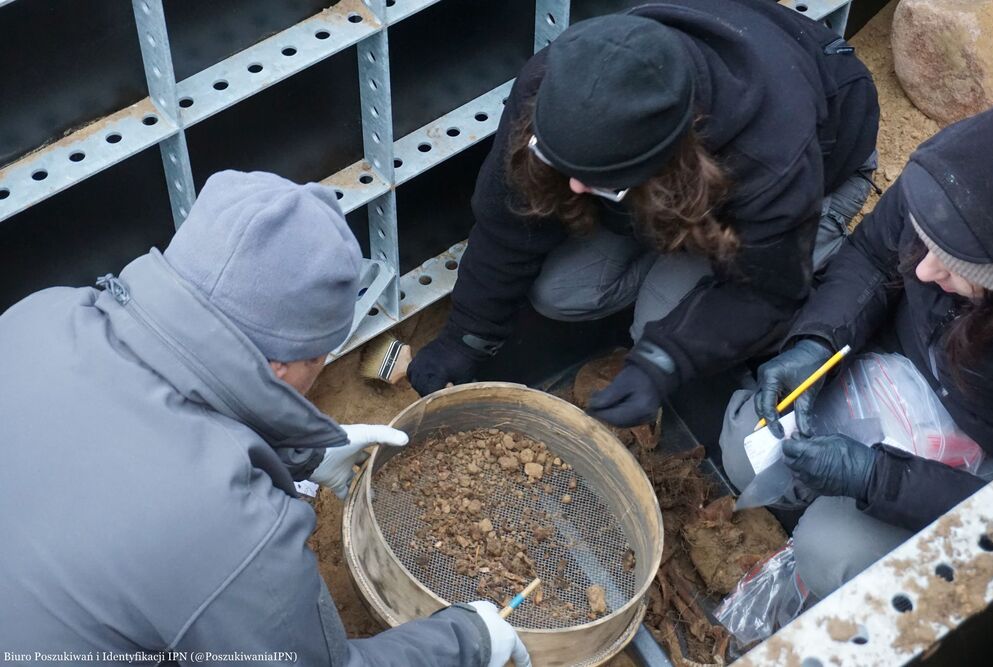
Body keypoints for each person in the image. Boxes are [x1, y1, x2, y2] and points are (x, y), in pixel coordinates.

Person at [0, 171, 529, 667]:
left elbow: (128, 448)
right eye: (321, 355)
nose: (321, 371)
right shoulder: (239, 536)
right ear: (280, 367)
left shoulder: (41, 313)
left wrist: (300, 452)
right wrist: (469, 639)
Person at [407, 0, 879, 427]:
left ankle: (693, 290)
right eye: (561, 164)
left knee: (657, 319)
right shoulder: (557, 84)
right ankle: (673, 272)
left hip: (823, 166)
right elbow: (509, 218)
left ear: (667, 166)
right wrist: (466, 337)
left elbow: (764, 292)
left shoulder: (771, 158)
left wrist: (664, 358)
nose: (573, 186)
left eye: (593, 178)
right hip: (671, 178)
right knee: (563, 292)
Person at [719, 105, 993, 599]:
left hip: (982, 455)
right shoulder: (957, 175)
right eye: (926, 242)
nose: (925, 272)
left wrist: (878, 479)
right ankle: (804, 516)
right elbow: (874, 255)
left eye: (958, 265)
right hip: (902, 365)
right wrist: (816, 345)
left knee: (833, 551)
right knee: (750, 446)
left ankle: (832, 564)